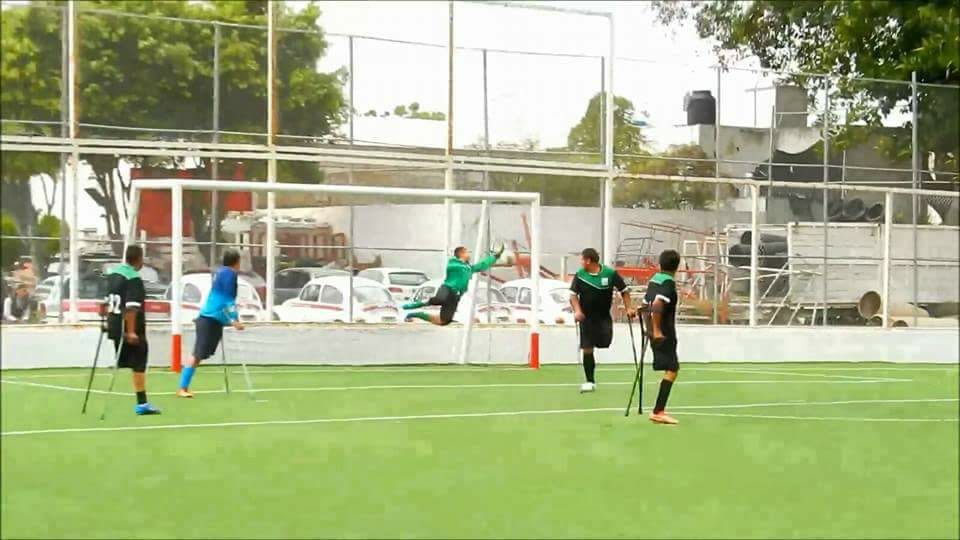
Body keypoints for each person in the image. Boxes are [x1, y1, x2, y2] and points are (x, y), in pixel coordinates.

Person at [176, 249, 245, 398]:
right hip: (209, 319)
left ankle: (184, 386)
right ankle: (182, 387)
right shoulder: (229, 274)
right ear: (236, 261)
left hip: (214, 319)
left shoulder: (220, 272)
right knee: (197, 354)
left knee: (201, 354)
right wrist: (234, 319)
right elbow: (228, 299)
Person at [569, 247, 635, 393]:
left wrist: (629, 308)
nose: (581, 262)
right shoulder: (580, 275)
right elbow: (573, 295)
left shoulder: (610, 274)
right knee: (587, 348)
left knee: (604, 342)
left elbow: (624, 291)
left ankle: (597, 346)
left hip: (603, 317)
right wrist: (577, 311)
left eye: (582, 259)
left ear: (588, 260)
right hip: (586, 318)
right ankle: (590, 381)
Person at [105, 245, 161, 415]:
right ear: (139, 259)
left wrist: (106, 321)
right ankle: (142, 404)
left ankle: (142, 402)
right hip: (130, 327)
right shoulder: (133, 279)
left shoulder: (113, 275)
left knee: (131, 362)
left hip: (114, 324)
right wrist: (130, 331)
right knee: (139, 362)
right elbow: (131, 308)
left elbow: (107, 301)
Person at [403, 245, 503, 326]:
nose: (468, 254)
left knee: (443, 321)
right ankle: (419, 304)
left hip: (455, 295)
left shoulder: (468, 267)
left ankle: (416, 314)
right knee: (440, 299)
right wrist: (466, 267)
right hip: (447, 289)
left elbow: (482, 265)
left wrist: (494, 257)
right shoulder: (453, 264)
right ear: (461, 254)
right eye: (466, 252)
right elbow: (454, 267)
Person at [643, 249, 681, 425]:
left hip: (654, 331)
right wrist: (657, 330)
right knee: (672, 369)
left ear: (660, 264)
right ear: (677, 267)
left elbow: (645, 305)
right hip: (664, 332)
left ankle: (658, 410)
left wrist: (648, 328)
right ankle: (658, 411)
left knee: (670, 368)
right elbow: (657, 304)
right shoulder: (668, 283)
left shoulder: (654, 280)